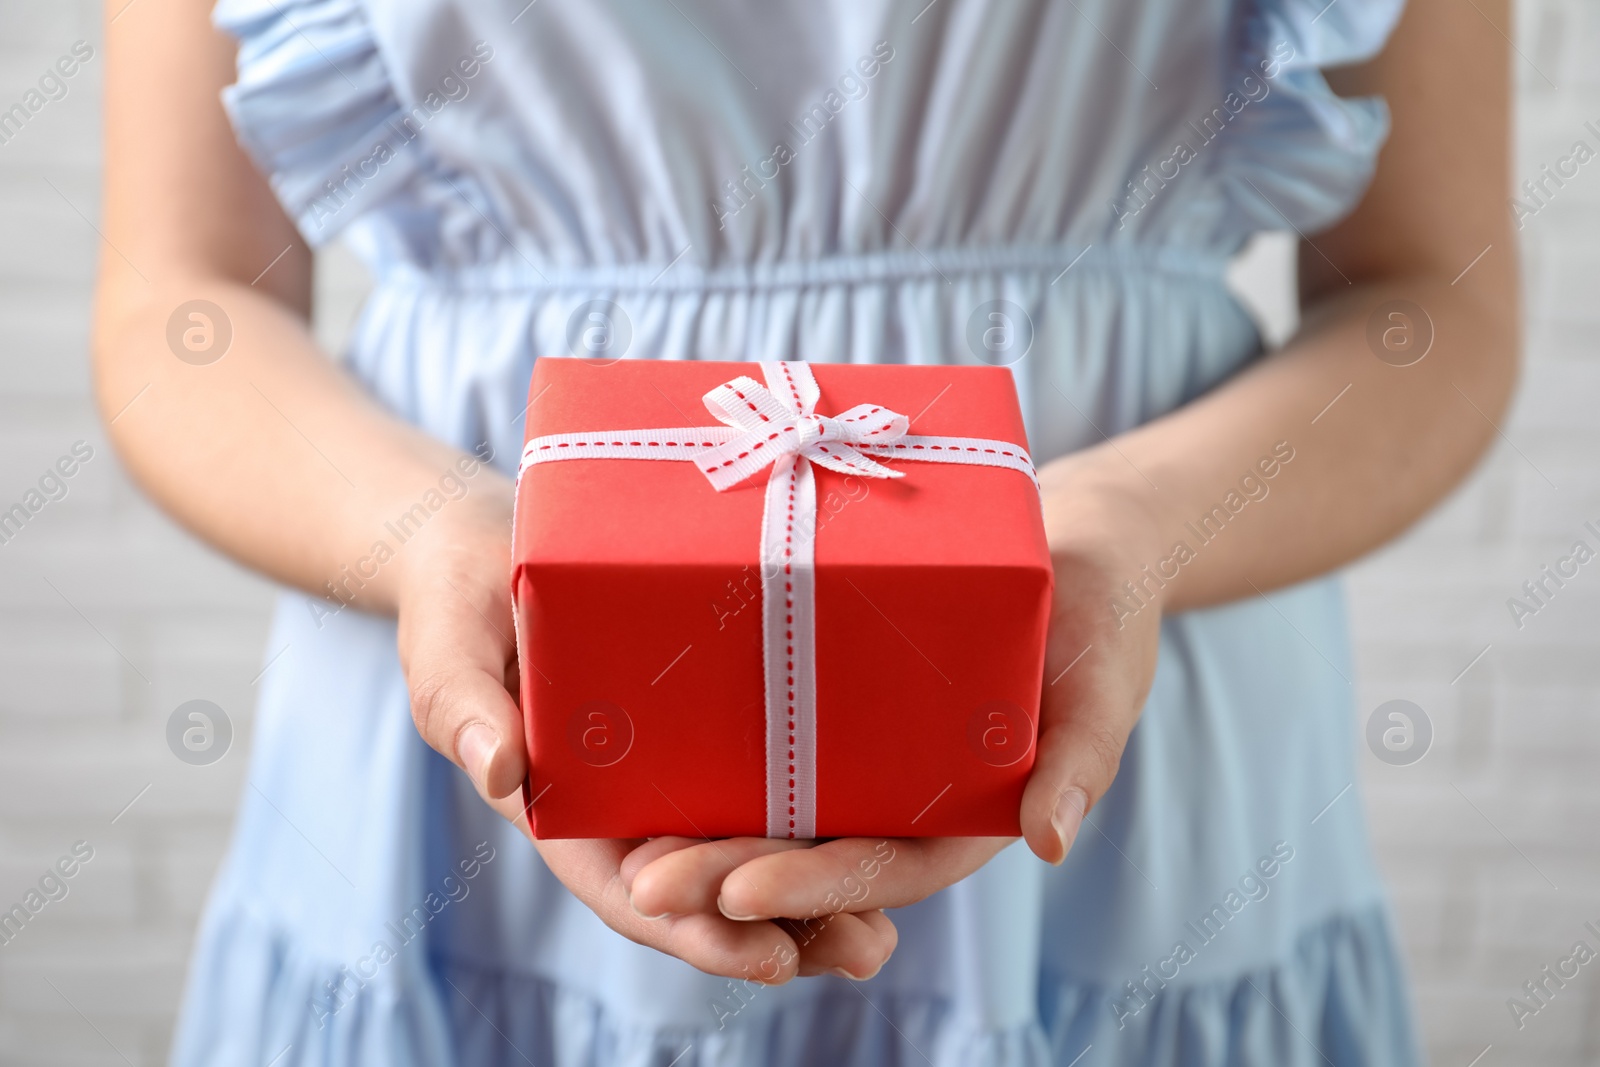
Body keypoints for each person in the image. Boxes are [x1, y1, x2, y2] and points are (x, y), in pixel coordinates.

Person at [93, 0, 1515, 1063]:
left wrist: (1127, 533)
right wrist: (426, 539)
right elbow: (181, 300)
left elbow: (1430, 302)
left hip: (1125, 716)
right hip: (465, 720)